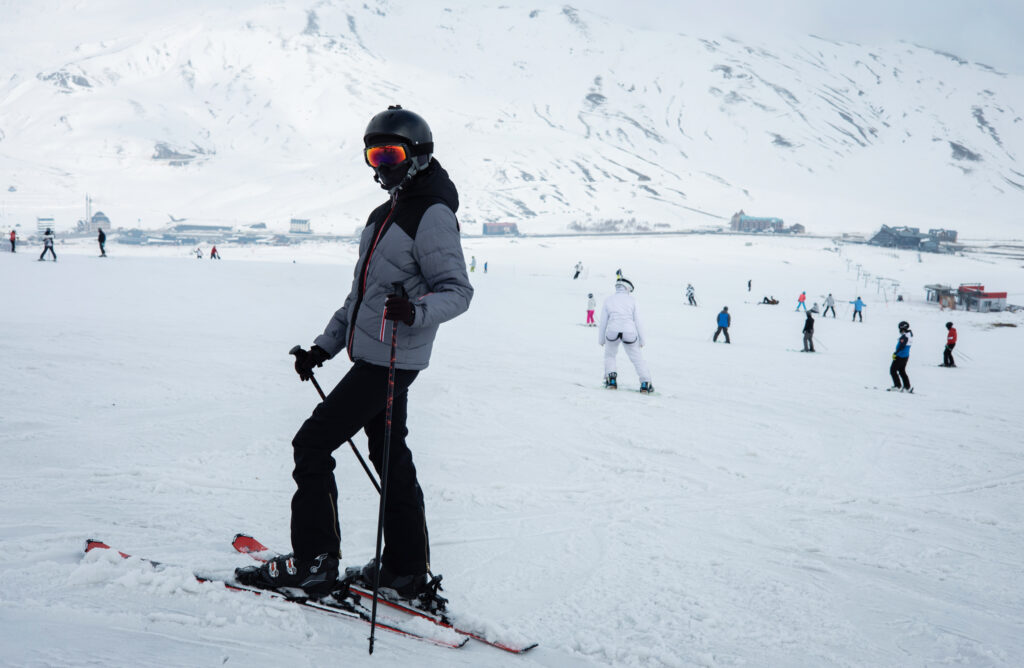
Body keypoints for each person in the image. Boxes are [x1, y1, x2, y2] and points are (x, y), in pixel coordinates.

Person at [235, 105, 474, 598]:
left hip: (392, 360)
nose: (381, 166)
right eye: (373, 155)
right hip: (375, 356)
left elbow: (457, 291)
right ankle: (405, 569)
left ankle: (313, 563)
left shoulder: (431, 213)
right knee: (390, 456)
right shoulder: (383, 215)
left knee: (312, 443)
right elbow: (360, 298)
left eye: (390, 154)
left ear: (418, 156)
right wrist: (322, 348)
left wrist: (415, 311)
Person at [599, 277, 653, 392]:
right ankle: (645, 383)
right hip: (629, 332)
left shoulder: (608, 300)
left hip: (612, 332)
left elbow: (603, 321)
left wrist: (601, 339)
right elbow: (638, 322)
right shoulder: (632, 300)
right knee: (637, 358)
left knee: (610, 356)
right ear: (628, 288)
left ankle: (611, 380)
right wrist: (642, 340)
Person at [888, 321, 913, 392]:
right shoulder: (909, 334)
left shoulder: (905, 336)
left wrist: (895, 353)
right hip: (905, 356)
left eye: (900, 328)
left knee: (893, 370)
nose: (899, 330)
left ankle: (897, 386)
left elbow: (902, 346)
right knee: (902, 371)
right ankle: (907, 387)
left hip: (900, 356)